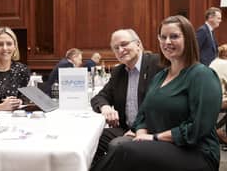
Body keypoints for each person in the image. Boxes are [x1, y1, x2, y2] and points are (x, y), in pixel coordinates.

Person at [91, 15, 222, 171]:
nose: (167, 42)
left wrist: (153, 137)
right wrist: (140, 134)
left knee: (125, 150)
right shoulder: (161, 76)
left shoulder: (202, 75)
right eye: (163, 37)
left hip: (196, 152)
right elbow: (143, 115)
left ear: (188, 39)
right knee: (111, 144)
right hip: (160, 145)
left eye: (174, 36)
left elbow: (198, 129)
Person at [90, 29, 162, 166]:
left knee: (118, 146)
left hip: (150, 130)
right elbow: (99, 97)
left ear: (138, 44)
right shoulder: (118, 72)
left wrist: (137, 130)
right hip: (125, 128)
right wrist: (105, 107)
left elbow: (161, 106)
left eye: (124, 44)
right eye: (116, 48)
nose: (120, 50)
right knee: (90, 139)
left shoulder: (157, 64)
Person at [210, 44, 227, 147]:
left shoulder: (214, 62)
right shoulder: (225, 64)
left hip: (211, 98)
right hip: (221, 100)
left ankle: (218, 128)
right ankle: (219, 130)